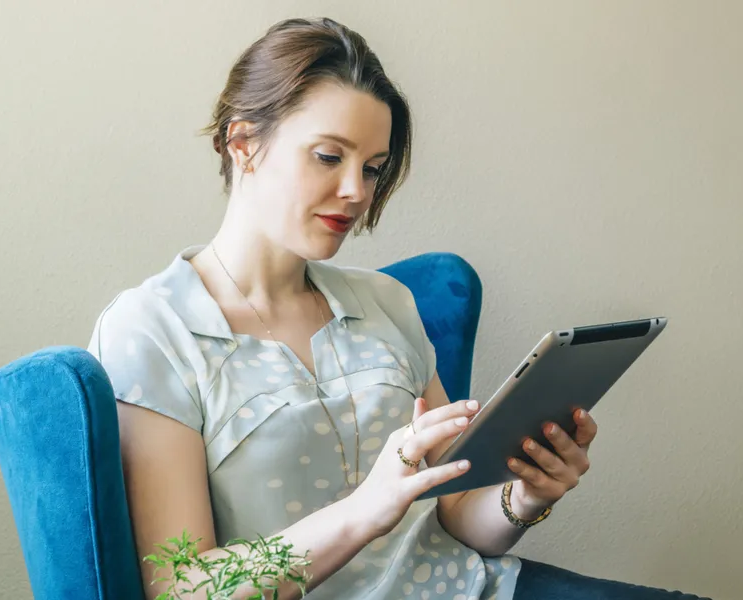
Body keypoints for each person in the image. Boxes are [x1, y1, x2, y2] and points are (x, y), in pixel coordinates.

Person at [88, 17, 710, 600]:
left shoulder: (386, 302)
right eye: (329, 156)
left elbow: (455, 512)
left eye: (374, 167)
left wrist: (523, 497)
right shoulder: (153, 330)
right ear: (243, 142)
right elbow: (185, 586)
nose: (357, 191)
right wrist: (365, 509)